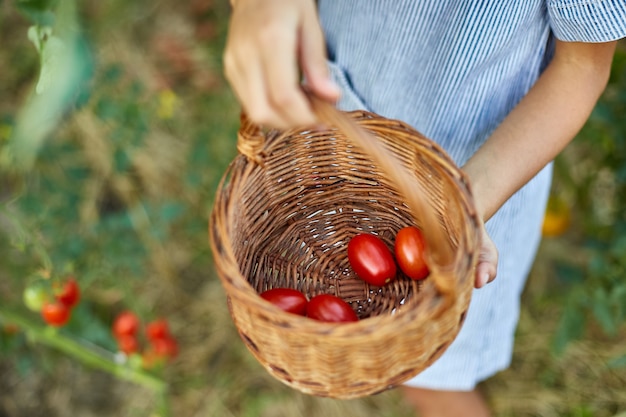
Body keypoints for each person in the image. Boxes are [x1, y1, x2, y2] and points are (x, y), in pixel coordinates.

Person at [222, 1, 626, 416]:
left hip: (480, 173)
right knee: (419, 374)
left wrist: (464, 206)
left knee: (436, 380)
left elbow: (582, 67)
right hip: (336, 117)